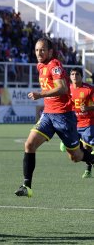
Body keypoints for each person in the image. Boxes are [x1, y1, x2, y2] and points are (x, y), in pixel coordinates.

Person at [14, 37, 94, 198]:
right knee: (29, 144)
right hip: (48, 115)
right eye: (37, 50)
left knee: (76, 156)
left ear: (50, 51)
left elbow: (63, 88)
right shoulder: (40, 65)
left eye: (42, 49)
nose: (39, 53)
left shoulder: (54, 65)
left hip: (64, 116)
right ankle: (26, 186)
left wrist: (40, 94)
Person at [60, 67, 94, 178]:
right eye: (72, 74)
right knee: (75, 155)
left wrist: (88, 108)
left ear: (81, 76)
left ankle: (88, 169)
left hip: (88, 123)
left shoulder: (89, 89)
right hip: (74, 124)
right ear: (70, 76)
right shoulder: (67, 90)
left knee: (87, 147)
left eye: (77, 74)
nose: (75, 76)